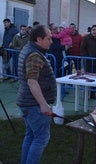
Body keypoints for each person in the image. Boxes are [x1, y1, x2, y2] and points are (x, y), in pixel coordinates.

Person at [16, 25, 56, 164]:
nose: (51, 41)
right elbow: (32, 82)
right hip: (33, 105)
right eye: (48, 38)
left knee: (31, 135)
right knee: (41, 138)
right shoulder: (34, 55)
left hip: (27, 102)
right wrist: (43, 105)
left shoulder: (30, 49)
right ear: (39, 39)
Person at [80, 24, 96, 100]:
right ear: (91, 30)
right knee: (87, 78)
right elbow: (82, 49)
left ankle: (93, 94)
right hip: (88, 62)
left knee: (95, 78)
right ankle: (86, 94)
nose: (95, 31)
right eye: (93, 30)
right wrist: (87, 57)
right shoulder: (86, 38)